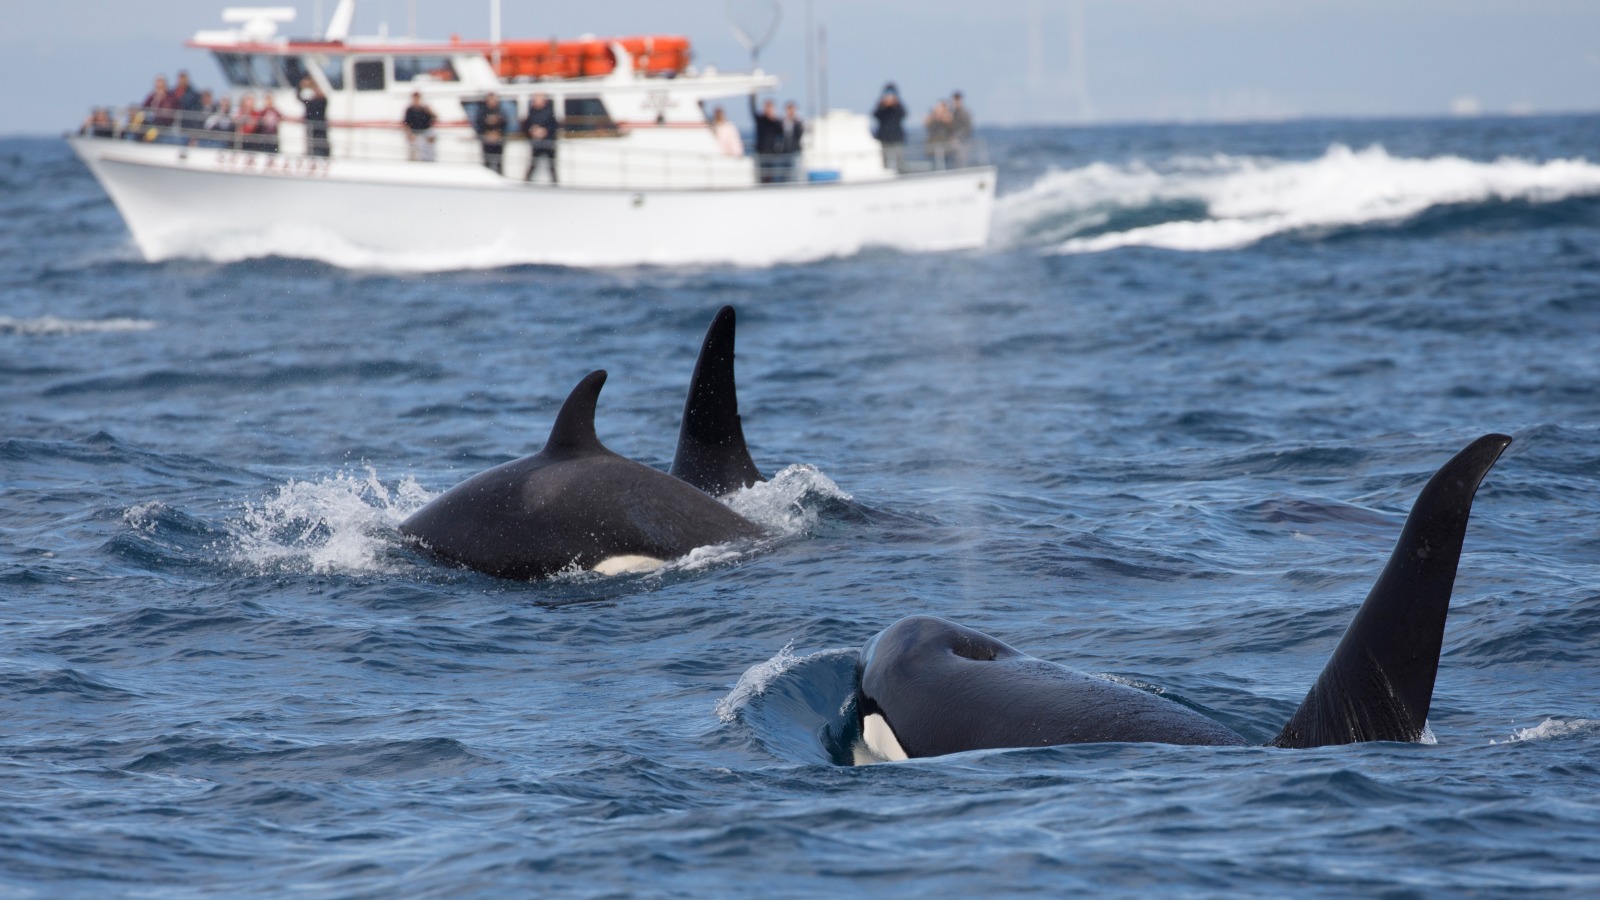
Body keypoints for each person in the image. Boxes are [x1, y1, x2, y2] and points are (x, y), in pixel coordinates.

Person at [523, 93, 558, 183]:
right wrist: (533, 131)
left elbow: (554, 126)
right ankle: (527, 182)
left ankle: (555, 183)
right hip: (536, 143)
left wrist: (544, 131)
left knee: (552, 165)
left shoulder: (550, 112)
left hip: (548, 142)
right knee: (533, 164)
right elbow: (526, 126)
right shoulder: (532, 112)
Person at [872, 83, 907, 172]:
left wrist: (896, 105)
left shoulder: (898, 106)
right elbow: (875, 115)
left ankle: (901, 175)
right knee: (885, 161)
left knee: (900, 160)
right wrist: (882, 106)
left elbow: (903, 114)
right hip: (884, 137)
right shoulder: (881, 106)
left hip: (897, 137)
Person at [749, 96, 783, 183]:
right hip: (761, 152)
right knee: (761, 176)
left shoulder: (776, 122)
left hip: (772, 153)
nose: (767, 109)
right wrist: (752, 95)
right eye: (766, 107)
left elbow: (782, 132)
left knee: (771, 175)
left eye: (769, 107)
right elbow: (752, 109)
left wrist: (773, 117)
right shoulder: (760, 119)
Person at [474, 91, 508, 174]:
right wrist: (487, 133)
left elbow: (506, 124)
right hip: (487, 140)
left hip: (498, 140)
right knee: (487, 162)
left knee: (499, 163)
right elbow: (478, 124)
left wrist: (497, 133)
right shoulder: (482, 111)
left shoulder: (501, 111)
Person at [299, 77, 329, 157]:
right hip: (312, 124)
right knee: (312, 141)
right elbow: (300, 98)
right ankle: (313, 154)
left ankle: (323, 155)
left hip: (320, 125)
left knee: (321, 142)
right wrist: (302, 87)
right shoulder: (311, 101)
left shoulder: (322, 101)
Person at [404, 92, 437, 162]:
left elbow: (434, 119)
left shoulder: (424, 109)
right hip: (414, 131)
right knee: (414, 144)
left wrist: (430, 111)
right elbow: (406, 123)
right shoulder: (409, 110)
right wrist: (409, 134)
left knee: (430, 138)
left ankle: (430, 159)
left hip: (425, 130)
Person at [776, 101, 804, 182]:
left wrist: (794, 121)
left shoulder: (798, 122)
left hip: (795, 151)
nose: (790, 112)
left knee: (795, 173)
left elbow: (799, 133)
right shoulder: (783, 122)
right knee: (783, 173)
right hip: (784, 152)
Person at [948, 91, 973, 167]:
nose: (955, 103)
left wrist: (957, 137)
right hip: (954, 143)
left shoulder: (965, 113)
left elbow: (967, 128)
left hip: (963, 142)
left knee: (962, 162)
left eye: (957, 100)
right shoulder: (952, 113)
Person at [924, 99, 952, 169]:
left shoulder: (947, 118)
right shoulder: (932, 119)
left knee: (947, 166)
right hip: (933, 148)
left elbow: (950, 129)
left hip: (944, 148)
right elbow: (929, 128)